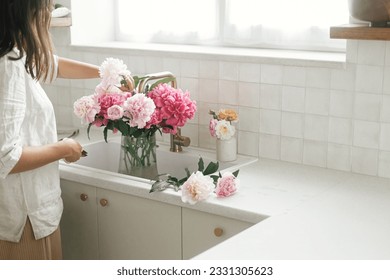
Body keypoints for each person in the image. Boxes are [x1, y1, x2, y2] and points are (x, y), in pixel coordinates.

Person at [0, 0, 100, 259]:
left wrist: (107, 73)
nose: (49, 12)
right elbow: (5, 157)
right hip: (24, 221)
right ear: (27, 13)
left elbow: (50, 63)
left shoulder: (13, 54)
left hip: (23, 216)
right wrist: (63, 148)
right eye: (45, 6)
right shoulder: (7, 63)